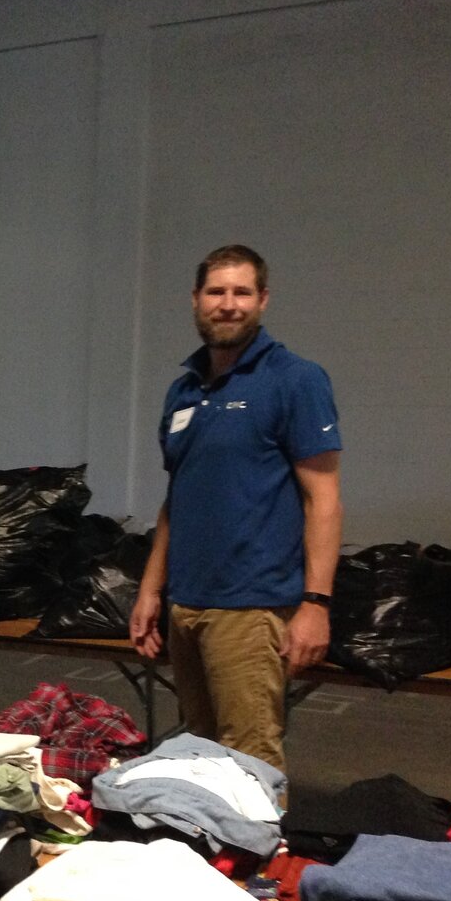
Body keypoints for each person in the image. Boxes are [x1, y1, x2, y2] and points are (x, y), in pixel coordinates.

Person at [129, 244, 342, 774]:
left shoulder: (296, 379)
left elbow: (324, 500)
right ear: (196, 300)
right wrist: (151, 591)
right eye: (216, 292)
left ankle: (264, 859)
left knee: (250, 761)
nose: (228, 304)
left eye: (241, 292)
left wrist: (315, 603)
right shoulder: (183, 391)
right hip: (186, 604)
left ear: (263, 300)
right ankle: (209, 857)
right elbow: (176, 500)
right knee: (198, 757)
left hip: (251, 606)